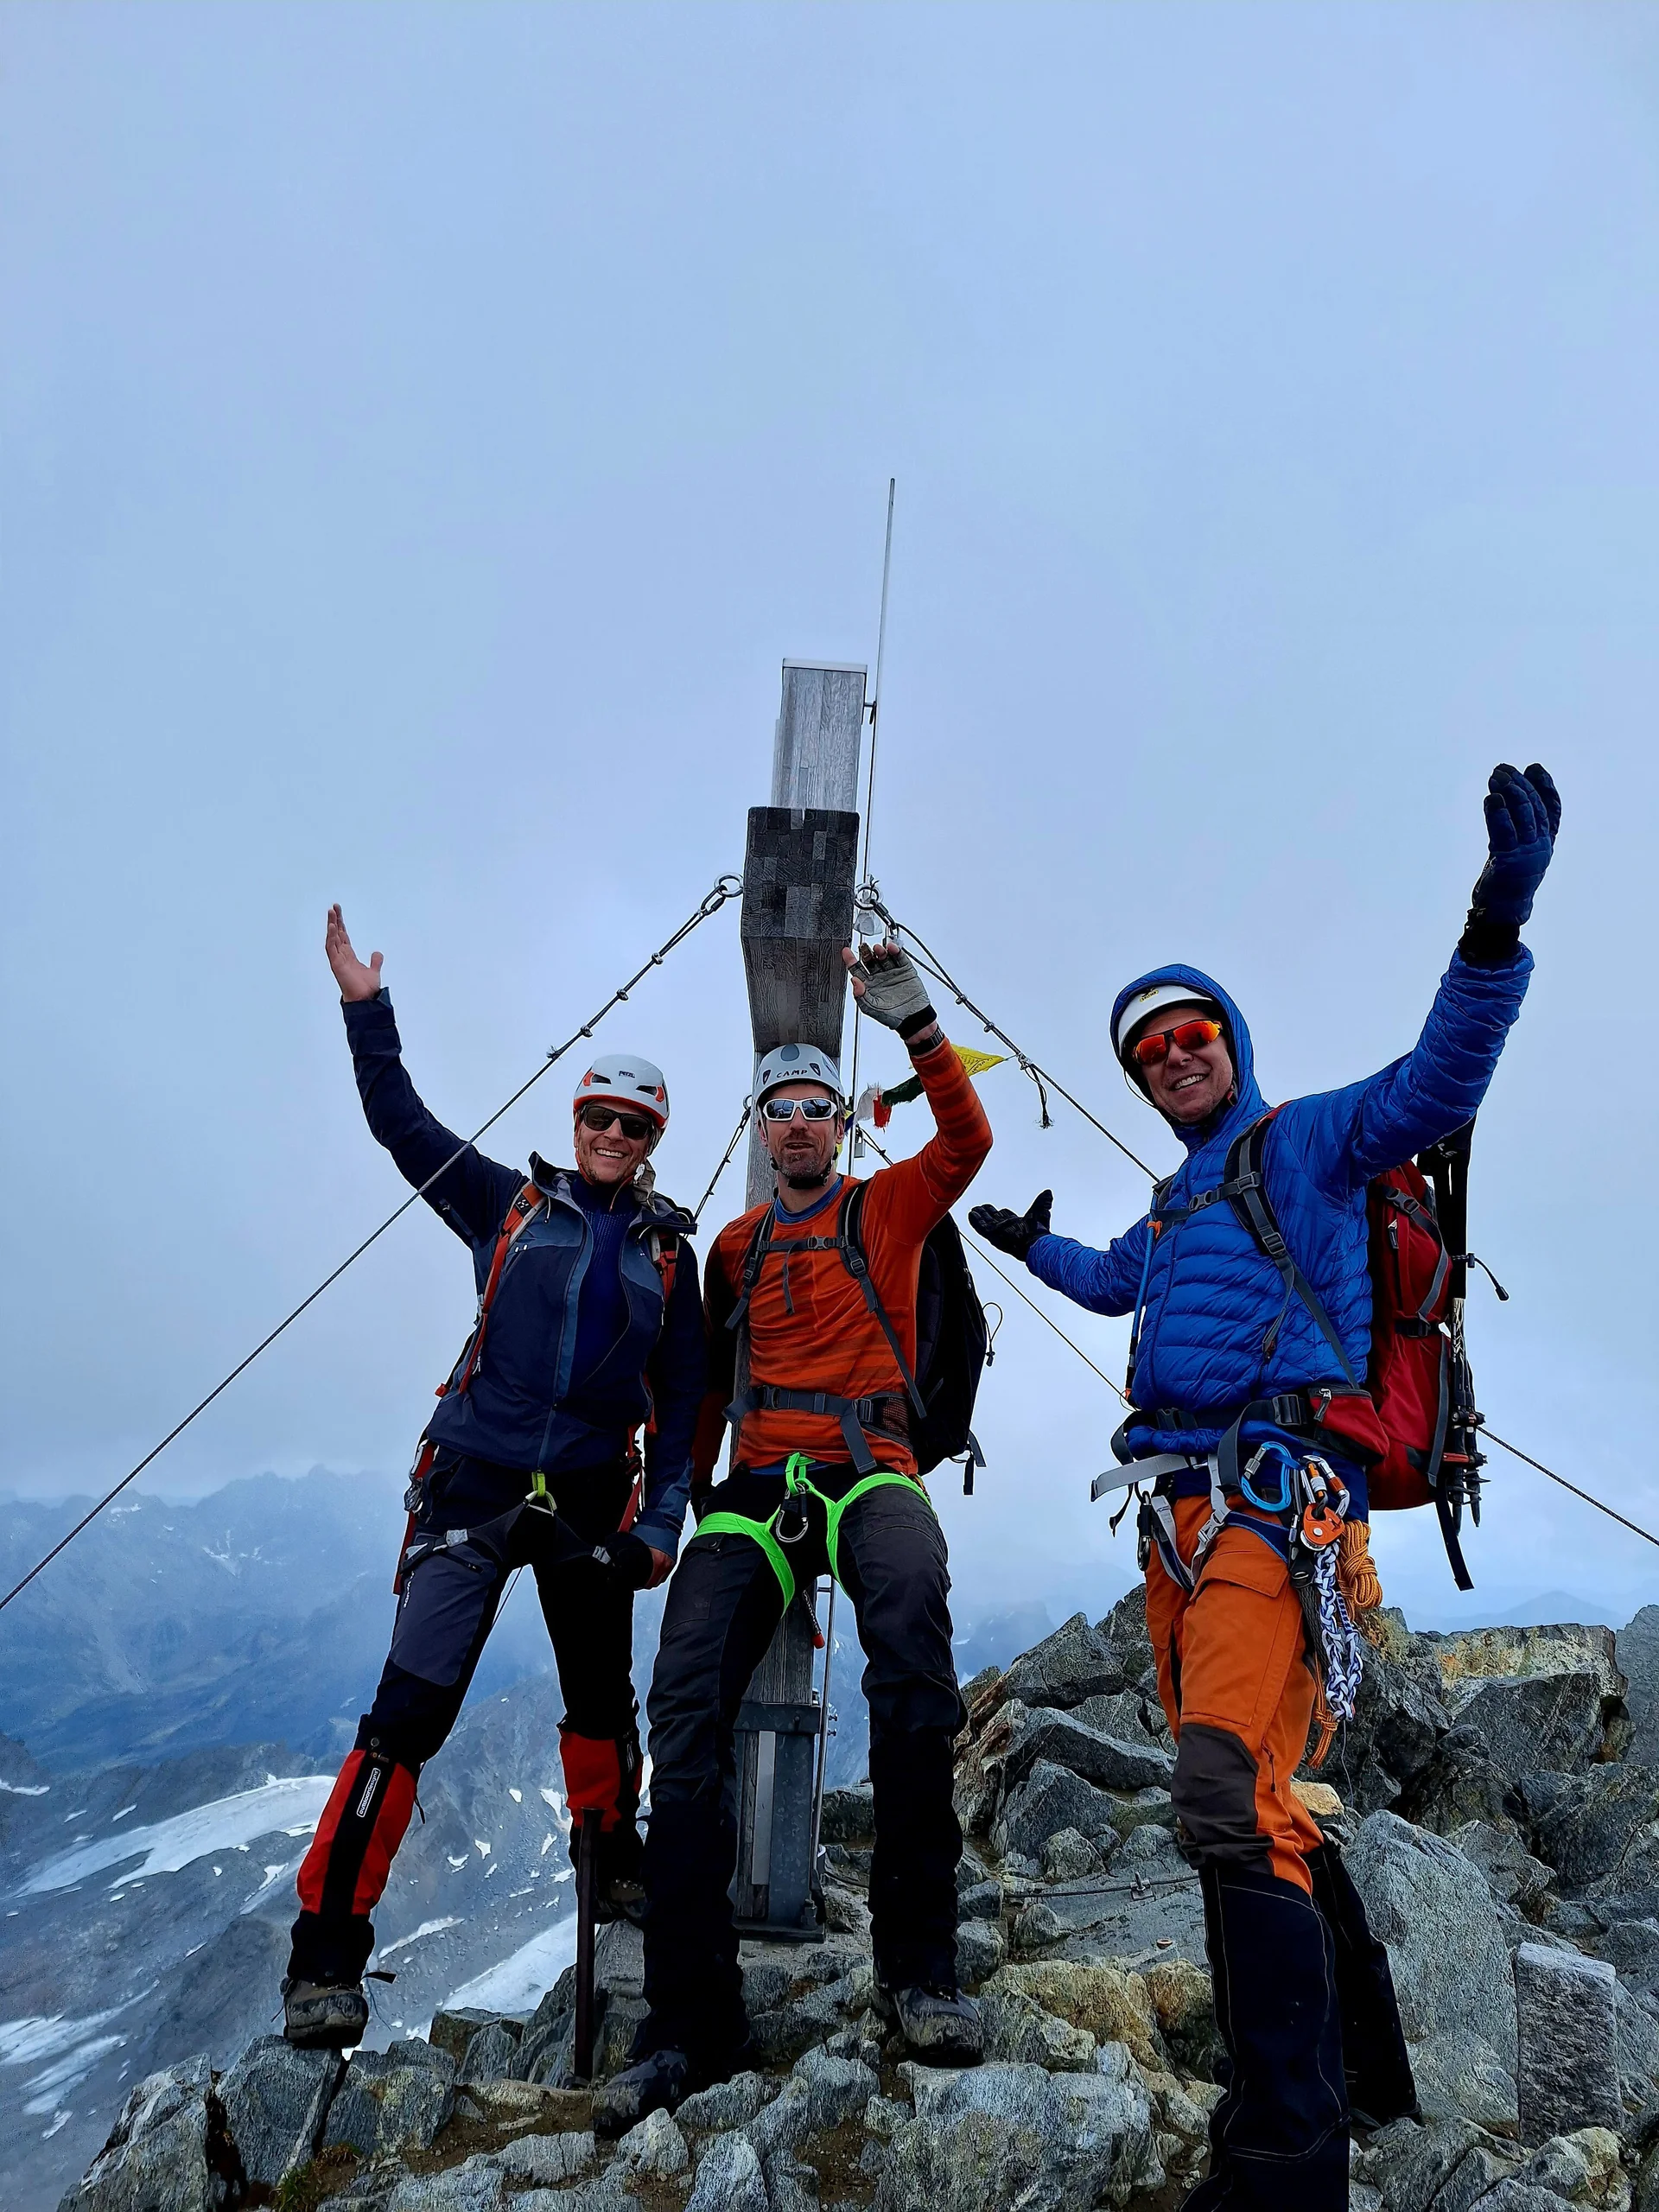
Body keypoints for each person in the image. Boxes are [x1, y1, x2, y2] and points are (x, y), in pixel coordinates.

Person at [969, 765, 1560, 2210]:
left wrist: (1499, 918)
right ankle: (1338, 2090)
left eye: (1193, 1034)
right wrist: (1031, 1248)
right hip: (1187, 1529)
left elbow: (1441, 1080)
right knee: (1255, 1806)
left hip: (1274, 1509)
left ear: (1232, 1040)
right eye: (1152, 1049)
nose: (1176, 1057)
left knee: (1227, 1797)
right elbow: (1120, 1287)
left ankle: (1286, 2165)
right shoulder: (1175, 1206)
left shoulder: (1305, 1142)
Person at [281, 907, 705, 2051]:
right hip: (472, 1485)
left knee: (600, 1704)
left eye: (634, 1121)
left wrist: (661, 1523)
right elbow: (398, 1124)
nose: (613, 1133)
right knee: (406, 1715)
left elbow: (686, 1414)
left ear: (654, 1133)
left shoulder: (671, 1254)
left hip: (582, 1499)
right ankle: (324, 1957)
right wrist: (368, 1011)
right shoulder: (505, 1204)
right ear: (577, 1123)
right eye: (599, 1117)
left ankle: (613, 1866)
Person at [594, 941, 994, 2133]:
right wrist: (685, 1498)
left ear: (839, 1126)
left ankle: (920, 1971)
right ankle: (690, 2021)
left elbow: (967, 1144)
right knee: (682, 1705)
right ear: (763, 1128)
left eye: (821, 1107)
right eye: (785, 1110)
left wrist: (919, 1024)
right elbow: (711, 1383)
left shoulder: (892, 1207)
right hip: (760, 1486)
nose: (804, 1125)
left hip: (874, 1469)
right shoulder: (733, 1249)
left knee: (916, 1658)